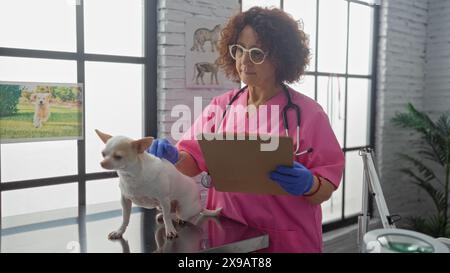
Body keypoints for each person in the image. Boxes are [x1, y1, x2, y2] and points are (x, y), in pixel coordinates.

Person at [148, 7, 345, 252]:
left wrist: (309, 185)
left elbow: (326, 186)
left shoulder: (308, 113)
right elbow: (192, 163)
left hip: (288, 240)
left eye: (257, 53)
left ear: (280, 58)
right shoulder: (221, 107)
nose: (244, 60)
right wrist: (174, 157)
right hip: (229, 238)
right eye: (239, 49)